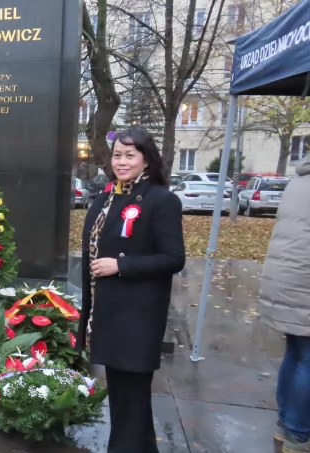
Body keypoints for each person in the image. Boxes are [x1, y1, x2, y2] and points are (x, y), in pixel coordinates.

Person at [75, 126, 186, 453]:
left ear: (146, 160)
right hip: (108, 313)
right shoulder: (109, 196)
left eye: (129, 155)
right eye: (117, 155)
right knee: (125, 402)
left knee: (132, 400)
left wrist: (120, 265)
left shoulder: (161, 200)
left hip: (137, 317)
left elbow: (173, 258)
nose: (121, 162)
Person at [259, 153, 310, 453]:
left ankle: (285, 425)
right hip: (304, 280)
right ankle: (298, 435)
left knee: (296, 353)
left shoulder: (299, 179)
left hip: (286, 278)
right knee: (307, 359)